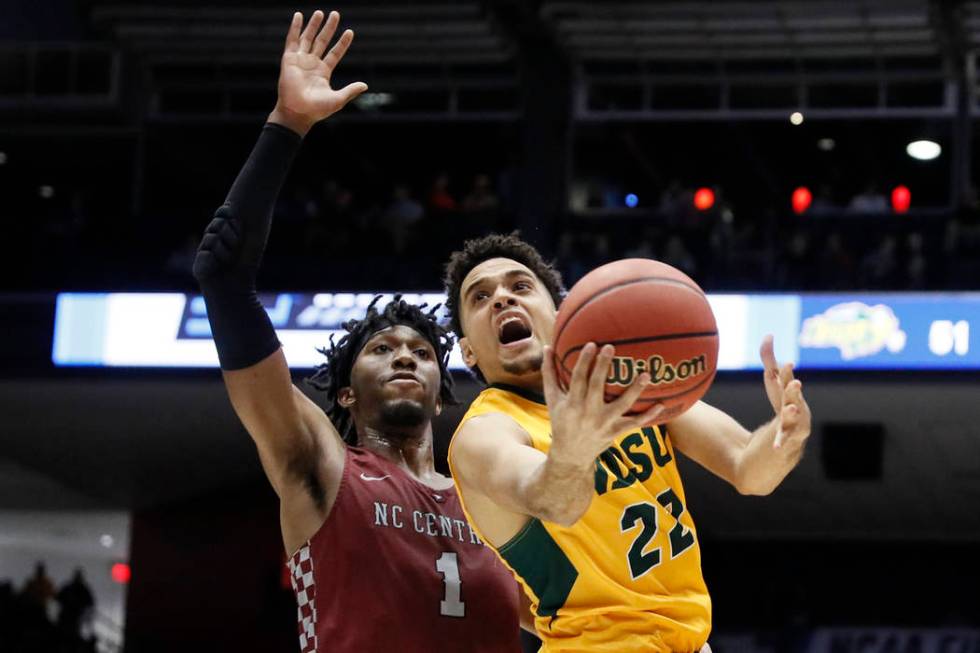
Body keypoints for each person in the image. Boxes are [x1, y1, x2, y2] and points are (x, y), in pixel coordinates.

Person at [191, 11, 521, 652]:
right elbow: (222, 272)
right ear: (345, 393)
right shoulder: (320, 462)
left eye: (423, 352)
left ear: (439, 386)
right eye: (382, 350)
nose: (405, 357)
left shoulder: (495, 503)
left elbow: (575, 620)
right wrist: (287, 125)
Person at [442, 233, 812, 652]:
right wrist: (574, 449)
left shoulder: (631, 387)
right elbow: (554, 500)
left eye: (521, 286)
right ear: (468, 351)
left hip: (691, 641)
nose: (503, 299)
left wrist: (784, 435)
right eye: (480, 297)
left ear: (561, 315)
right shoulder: (485, 431)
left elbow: (749, 470)